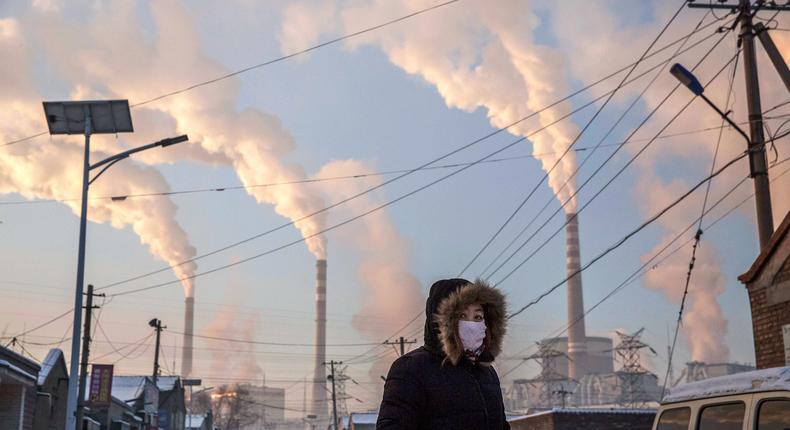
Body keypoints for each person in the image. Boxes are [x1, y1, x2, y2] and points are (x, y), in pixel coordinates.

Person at [376, 278, 509, 429]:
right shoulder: (411, 369)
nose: (471, 325)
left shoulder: (487, 372)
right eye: (462, 316)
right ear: (441, 322)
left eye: (478, 317)